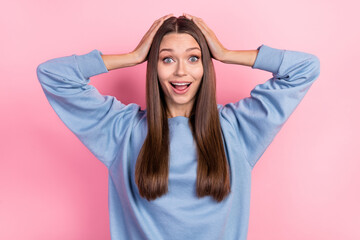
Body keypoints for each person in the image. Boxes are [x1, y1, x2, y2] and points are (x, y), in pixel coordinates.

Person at [37, 13, 320, 240]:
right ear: (153, 66)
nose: (181, 71)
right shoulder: (122, 131)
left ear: (206, 66)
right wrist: (133, 57)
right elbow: (52, 75)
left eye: (194, 58)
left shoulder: (236, 129)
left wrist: (224, 53)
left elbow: (305, 68)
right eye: (167, 59)